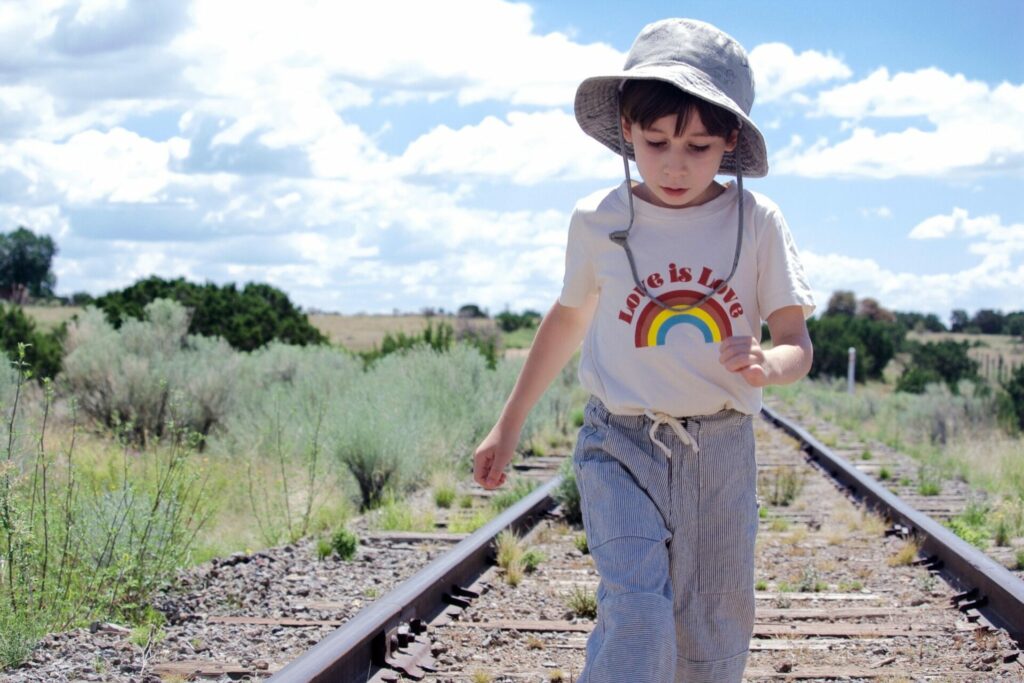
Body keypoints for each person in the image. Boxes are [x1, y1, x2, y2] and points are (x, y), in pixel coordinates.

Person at [473, 17, 814, 683]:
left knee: (710, 631)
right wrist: (506, 424)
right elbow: (569, 320)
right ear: (626, 128)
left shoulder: (757, 222)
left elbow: (796, 340)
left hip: (719, 450)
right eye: (655, 140)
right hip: (620, 443)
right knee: (638, 612)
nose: (674, 162)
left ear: (731, 140)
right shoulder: (599, 221)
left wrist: (769, 365)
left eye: (698, 144)